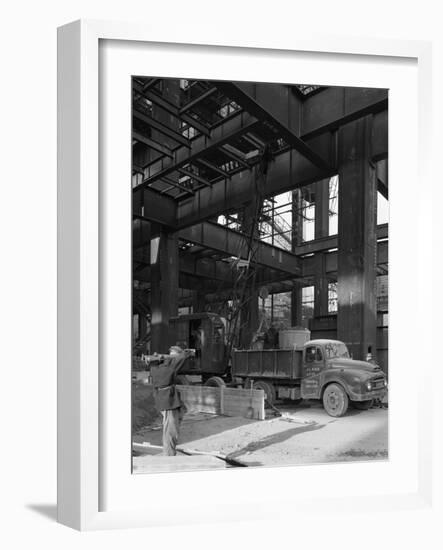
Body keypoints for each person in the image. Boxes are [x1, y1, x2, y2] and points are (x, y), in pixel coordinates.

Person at [150, 345, 193, 456]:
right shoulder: (170, 367)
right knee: (171, 430)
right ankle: (169, 454)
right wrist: (187, 352)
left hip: (163, 399)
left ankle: (169, 451)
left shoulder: (155, 366)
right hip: (169, 401)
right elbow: (181, 358)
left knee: (176, 418)